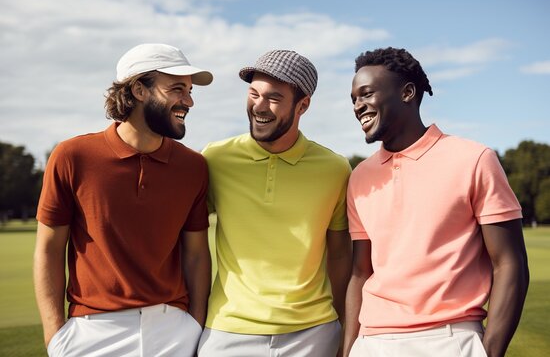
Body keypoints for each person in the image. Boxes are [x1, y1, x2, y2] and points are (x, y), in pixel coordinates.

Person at [344, 47, 530, 357]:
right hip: (372, 342)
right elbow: (360, 273)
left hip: (450, 339)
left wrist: (490, 352)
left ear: (407, 92)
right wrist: (349, 349)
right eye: (353, 99)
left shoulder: (474, 159)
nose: (358, 106)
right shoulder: (359, 177)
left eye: (366, 94)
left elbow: (510, 263)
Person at [34, 43, 213, 357]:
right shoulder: (72, 156)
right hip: (92, 333)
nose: (188, 100)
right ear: (139, 90)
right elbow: (49, 248)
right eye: (176, 89)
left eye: (189, 90)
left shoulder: (194, 166)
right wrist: (55, 336)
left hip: (175, 331)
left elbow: (196, 255)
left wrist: (195, 325)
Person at [198, 50, 352, 357]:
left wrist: (342, 326)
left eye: (274, 98)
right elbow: (187, 241)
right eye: (253, 93)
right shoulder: (215, 159)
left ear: (303, 105)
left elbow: (339, 256)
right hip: (228, 328)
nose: (259, 106)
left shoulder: (335, 169)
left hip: (314, 333)